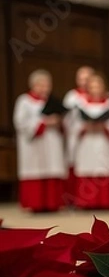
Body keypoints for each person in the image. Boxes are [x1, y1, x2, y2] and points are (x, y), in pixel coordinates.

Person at [13, 70, 67, 212]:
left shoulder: (53, 101)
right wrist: (43, 123)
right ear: (33, 85)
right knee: (35, 170)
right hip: (34, 143)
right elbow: (20, 122)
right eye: (41, 85)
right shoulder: (24, 101)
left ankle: (52, 204)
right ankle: (35, 204)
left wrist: (59, 121)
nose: (45, 88)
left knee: (52, 169)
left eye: (47, 85)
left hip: (52, 140)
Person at [73, 74, 109, 209]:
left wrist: (106, 127)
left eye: (98, 85)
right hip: (87, 141)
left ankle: (106, 202)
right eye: (92, 86)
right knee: (88, 168)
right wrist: (83, 127)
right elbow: (72, 125)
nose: (96, 89)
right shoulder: (81, 104)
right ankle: (86, 202)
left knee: (104, 168)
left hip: (103, 141)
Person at [63, 66, 94, 203]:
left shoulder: (101, 95)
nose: (84, 82)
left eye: (87, 78)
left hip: (93, 136)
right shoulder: (72, 96)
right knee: (75, 165)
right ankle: (73, 199)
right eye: (81, 78)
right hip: (76, 136)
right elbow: (66, 119)